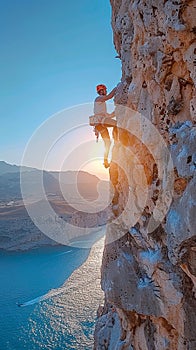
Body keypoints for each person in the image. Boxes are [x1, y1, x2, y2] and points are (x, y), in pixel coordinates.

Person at [93, 84, 116, 168]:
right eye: (105, 90)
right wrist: (117, 88)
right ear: (101, 91)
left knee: (108, 142)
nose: (106, 92)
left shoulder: (101, 105)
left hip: (100, 124)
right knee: (117, 124)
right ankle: (120, 138)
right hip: (101, 123)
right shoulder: (98, 99)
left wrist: (115, 111)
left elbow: (108, 116)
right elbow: (109, 96)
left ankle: (105, 162)